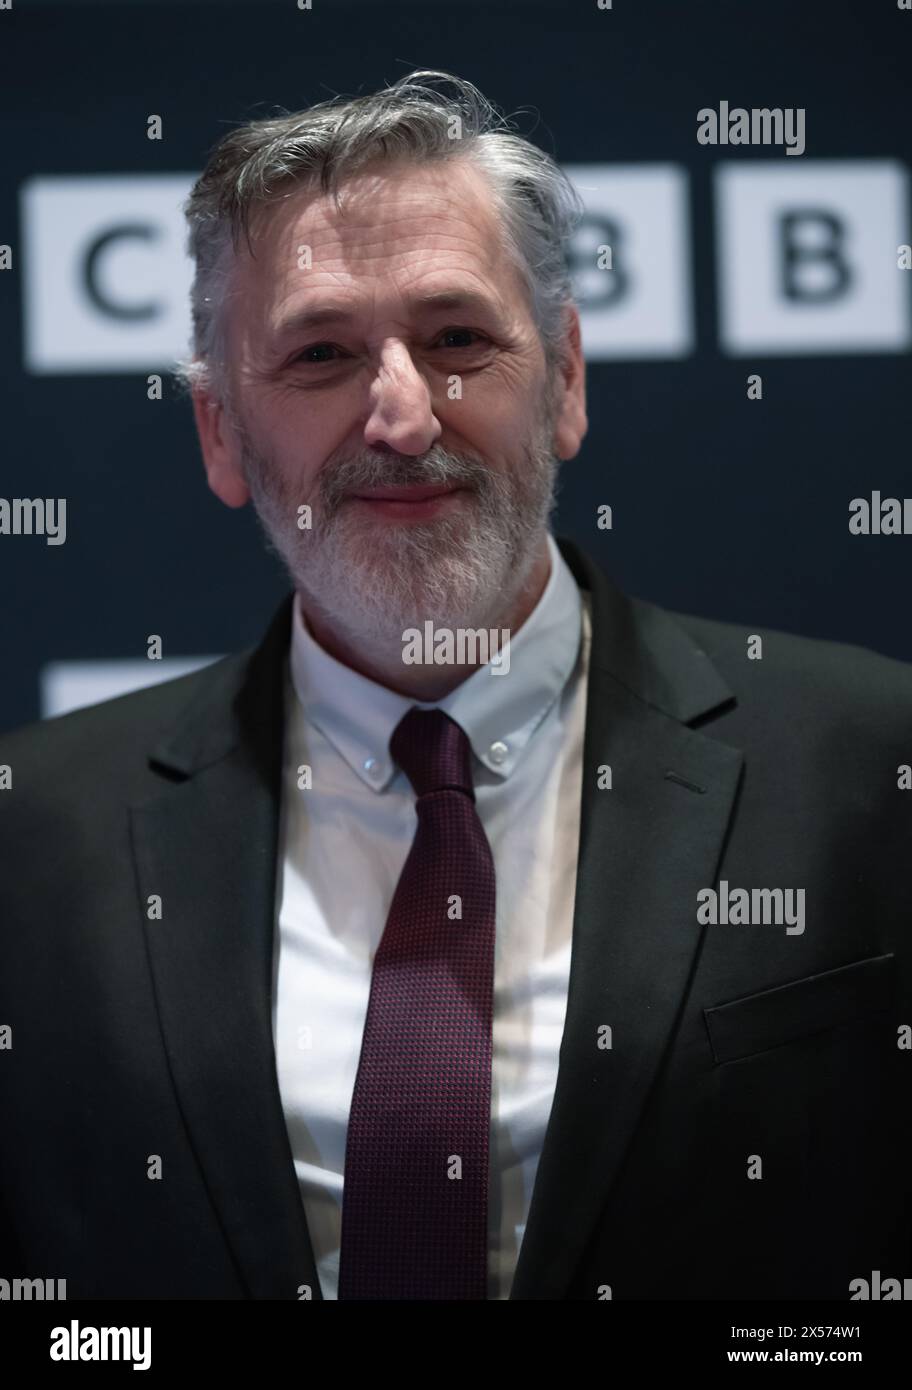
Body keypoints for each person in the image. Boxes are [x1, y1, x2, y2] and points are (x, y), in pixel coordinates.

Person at [0, 69, 909, 1302]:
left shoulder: (870, 766)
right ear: (220, 432)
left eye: (459, 339)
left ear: (569, 378)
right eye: (321, 353)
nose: (404, 415)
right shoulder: (34, 836)